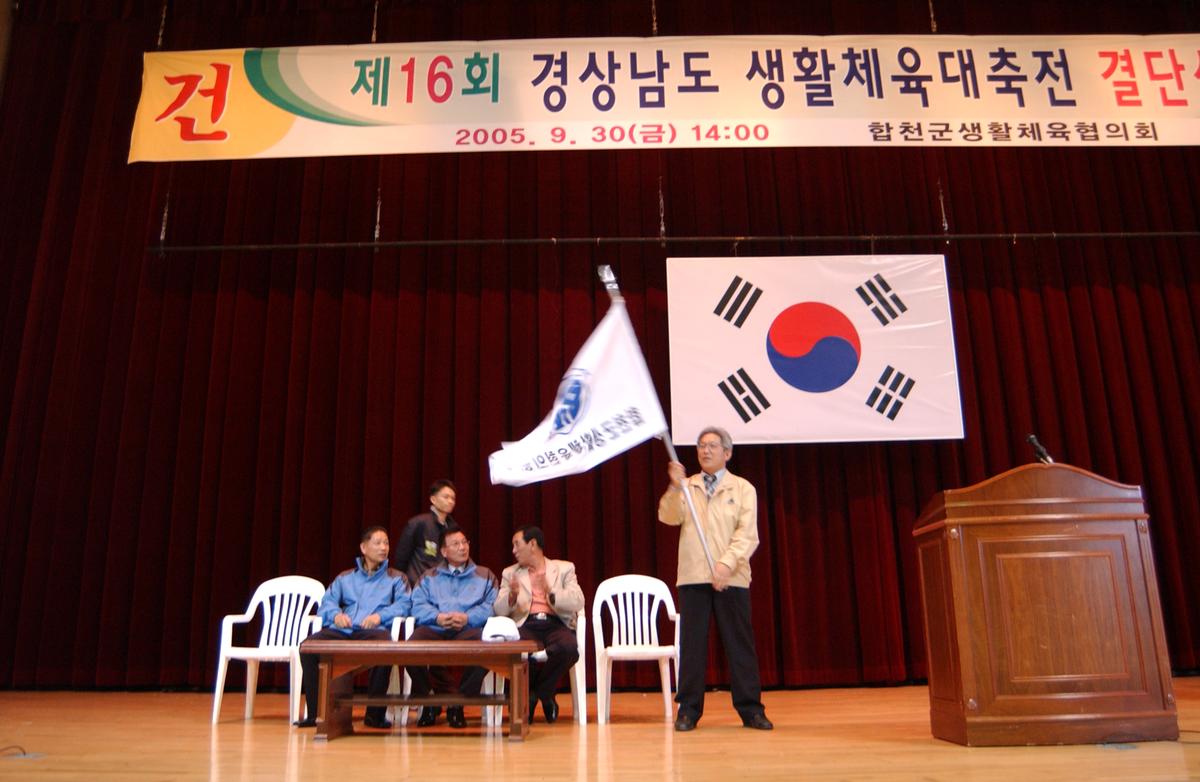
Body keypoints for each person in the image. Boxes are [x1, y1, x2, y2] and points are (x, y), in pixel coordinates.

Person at [657, 426, 773, 732]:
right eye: (700, 446)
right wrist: (673, 487)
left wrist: (725, 565)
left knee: (739, 645)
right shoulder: (688, 485)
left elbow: (748, 535)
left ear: (727, 453)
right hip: (693, 575)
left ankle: (751, 709)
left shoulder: (743, 488)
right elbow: (668, 517)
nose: (705, 451)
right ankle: (689, 710)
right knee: (692, 645)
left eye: (712, 446)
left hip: (731, 577)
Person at [295, 526, 411, 729]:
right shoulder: (345, 577)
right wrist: (336, 615)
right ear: (363, 547)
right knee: (308, 647)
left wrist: (379, 616)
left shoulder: (396, 578)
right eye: (378, 543)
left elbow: (405, 604)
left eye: (386, 543)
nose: (384, 548)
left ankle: (374, 715)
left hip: (373, 631)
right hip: (343, 630)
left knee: (385, 647)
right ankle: (316, 714)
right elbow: (327, 602)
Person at [406, 528, 498, 729]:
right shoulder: (429, 576)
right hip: (435, 627)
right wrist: (437, 617)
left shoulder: (485, 575)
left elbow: (492, 606)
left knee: (487, 648)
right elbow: (417, 604)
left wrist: (468, 618)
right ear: (444, 552)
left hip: (468, 628)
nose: (462, 547)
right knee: (410, 648)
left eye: (465, 542)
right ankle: (429, 700)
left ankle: (459, 703)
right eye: (456, 544)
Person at [493, 525, 585, 723]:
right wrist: (512, 596)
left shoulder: (563, 568)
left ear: (532, 544)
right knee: (519, 651)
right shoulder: (510, 573)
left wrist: (551, 591)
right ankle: (545, 695)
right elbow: (498, 610)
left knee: (568, 648)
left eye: (517, 544)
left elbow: (578, 601)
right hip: (526, 624)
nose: (513, 551)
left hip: (556, 623)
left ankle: (538, 693)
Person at [394, 479, 459, 586]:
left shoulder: (453, 528)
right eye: (446, 497)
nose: (451, 501)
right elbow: (401, 559)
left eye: (453, 498)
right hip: (418, 586)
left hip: (445, 587)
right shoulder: (418, 523)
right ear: (433, 499)